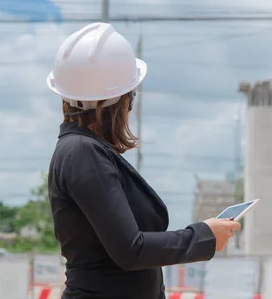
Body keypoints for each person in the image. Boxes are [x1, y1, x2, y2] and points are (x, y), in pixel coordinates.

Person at [45, 22, 241, 299]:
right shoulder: (82, 153)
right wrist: (203, 237)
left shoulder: (81, 150)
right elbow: (130, 250)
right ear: (122, 101)